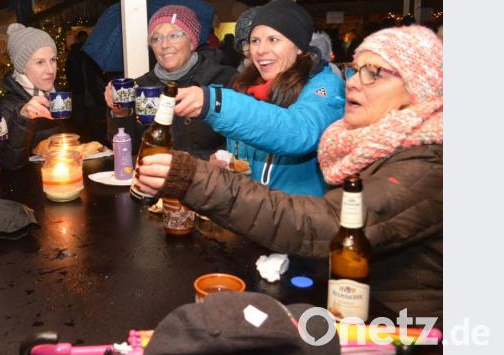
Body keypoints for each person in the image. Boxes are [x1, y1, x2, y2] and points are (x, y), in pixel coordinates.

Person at [135, 25, 443, 322]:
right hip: (339, 296)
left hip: (400, 326)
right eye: (356, 69)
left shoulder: (428, 162)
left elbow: (328, 226)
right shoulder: (366, 143)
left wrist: (195, 177)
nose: (352, 82)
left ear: (417, 88)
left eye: (374, 73)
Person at [173, 0, 345, 196]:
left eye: (273, 39)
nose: (260, 50)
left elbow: (299, 131)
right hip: (254, 213)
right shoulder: (248, 85)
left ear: (298, 47)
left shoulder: (324, 85)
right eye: (255, 40)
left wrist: (216, 103)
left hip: (299, 217)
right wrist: (229, 164)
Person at [104, 5, 237, 160]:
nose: (164, 45)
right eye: (156, 38)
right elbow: (127, 152)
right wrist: (121, 113)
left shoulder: (224, 79)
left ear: (192, 42)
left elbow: (242, 140)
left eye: (174, 35)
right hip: (156, 179)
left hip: (211, 179)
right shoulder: (141, 86)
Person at [0, 23, 63, 170]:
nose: (50, 70)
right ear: (22, 66)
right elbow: (7, 163)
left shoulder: (59, 96)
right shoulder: (6, 106)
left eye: (53, 60)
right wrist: (23, 118)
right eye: (40, 62)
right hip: (27, 188)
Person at [65, 30, 107, 143]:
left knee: (81, 120)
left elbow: (69, 72)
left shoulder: (73, 54)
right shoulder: (90, 54)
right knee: (93, 119)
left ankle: (82, 140)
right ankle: (92, 141)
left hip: (79, 90)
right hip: (89, 91)